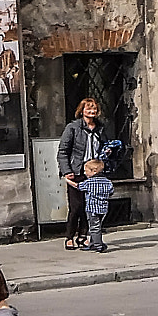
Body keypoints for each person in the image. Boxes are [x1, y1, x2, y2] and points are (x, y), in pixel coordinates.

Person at [56, 99, 104, 252]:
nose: (92, 112)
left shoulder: (100, 128)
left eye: (94, 109)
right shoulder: (73, 128)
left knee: (89, 207)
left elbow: (104, 147)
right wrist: (66, 171)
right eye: (89, 109)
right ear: (82, 110)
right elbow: (63, 151)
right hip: (77, 172)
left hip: (94, 173)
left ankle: (83, 236)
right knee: (76, 206)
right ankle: (69, 237)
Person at [79, 159, 113, 254]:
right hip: (103, 208)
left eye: (86, 171)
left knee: (94, 227)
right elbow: (111, 192)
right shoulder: (107, 181)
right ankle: (92, 243)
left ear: (94, 171)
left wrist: (68, 181)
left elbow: (79, 186)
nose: (85, 173)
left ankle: (98, 245)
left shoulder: (89, 182)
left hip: (92, 208)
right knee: (97, 226)